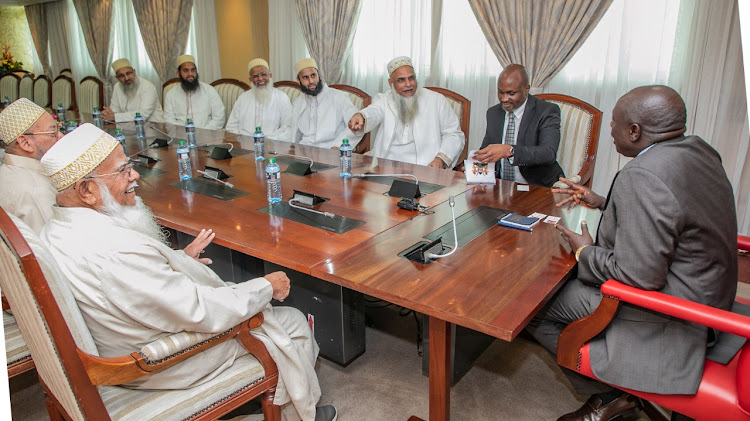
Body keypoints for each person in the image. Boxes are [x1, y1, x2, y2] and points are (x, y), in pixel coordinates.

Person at [39, 124, 336, 421]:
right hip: (161, 363)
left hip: (123, 340)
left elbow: (134, 282)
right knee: (290, 321)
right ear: (87, 190)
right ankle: (296, 414)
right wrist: (266, 286)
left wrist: (178, 259)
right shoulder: (116, 250)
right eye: (123, 170)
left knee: (244, 294)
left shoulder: (55, 229)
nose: (135, 175)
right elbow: (201, 312)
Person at [526, 85, 738, 421]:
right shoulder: (698, 150)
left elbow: (639, 275)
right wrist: (605, 203)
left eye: (614, 124)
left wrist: (586, 253)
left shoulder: (642, 175)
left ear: (635, 131)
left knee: (532, 304)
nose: (610, 131)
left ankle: (608, 396)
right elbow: (674, 213)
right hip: (710, 294)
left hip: (674, 314)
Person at [348, 56, 465, 168]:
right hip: (386, 165)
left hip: (425, 167)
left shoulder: (436, 100)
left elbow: (454, 134)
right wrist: (361, 116)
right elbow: (374, 111)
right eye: (401, 80)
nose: (408, 84)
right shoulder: (384, 99)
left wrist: (440, 159)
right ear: (391, 83)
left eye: (411, 78)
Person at [473, 64, 564, 186]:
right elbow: (487, 149)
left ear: (526, 89)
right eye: (500, 92)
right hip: (500, 186)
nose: (504, 99)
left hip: (536, 186)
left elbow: (548, 153)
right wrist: (473, 166)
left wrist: (511, 151)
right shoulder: (493, 113)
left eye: (511, 93)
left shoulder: (546, 111)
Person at [0, 98, 63, 233]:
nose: (61, 136)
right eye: (53, 132)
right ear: (25, 143)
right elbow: (53, 247)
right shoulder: (35, 191)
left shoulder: (6, 171)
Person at [289, 58, 361, 148]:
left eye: (313, 75)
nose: (311, 81)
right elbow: (294, 133)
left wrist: (338, 146)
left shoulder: (339, 97)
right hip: (303, 150)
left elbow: (356, 126)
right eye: (305, 77)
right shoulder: (298, 102)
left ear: (318, 75)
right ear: (298, 80)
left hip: (329, 151)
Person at [226, 58, 292, 140]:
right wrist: (243, 141)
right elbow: (231, 126)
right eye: (255, 76)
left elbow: (288, 128)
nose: (260, 79)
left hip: (272, 144)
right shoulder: (243, 98)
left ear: (270, 76)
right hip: (244, 144)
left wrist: (268, 139)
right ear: (250, 79)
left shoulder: (282, 97)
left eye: (263, 74)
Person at [163, 55, 225, 130]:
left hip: (207, 135)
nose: (190, 74)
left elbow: (219, 117)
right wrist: (182, 133)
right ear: (178, 72)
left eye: (193, 70)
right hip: (180, 137)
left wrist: (204, 132)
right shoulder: (171, 94)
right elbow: (169, 120)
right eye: (185, 70)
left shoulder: (209, 90)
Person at [101, 58, 164, 123]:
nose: (126, 78)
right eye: (121, 76)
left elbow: (144, 114)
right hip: (128, 125)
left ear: (134, 71)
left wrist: (115, 117)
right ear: (117, 78)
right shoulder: (117, 87)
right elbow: (115, 108)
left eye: (128, 73)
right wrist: (108, 113)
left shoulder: (147, 86)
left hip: (153, 126)